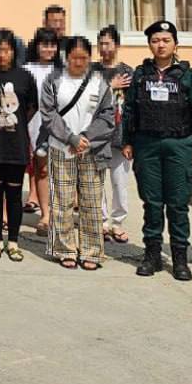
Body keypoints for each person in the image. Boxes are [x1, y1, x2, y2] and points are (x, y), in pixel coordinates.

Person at [122, 20, 192, 280]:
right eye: (155, 41)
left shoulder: (186, 75)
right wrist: (127, 141)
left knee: (178, 204)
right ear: (150, 45)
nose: (160, 45)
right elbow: (130, 109)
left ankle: (180, 258)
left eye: (166, 40)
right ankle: (152, 255)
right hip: (146, 144)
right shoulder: (140, 75)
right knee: (152, 202)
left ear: (175, 44)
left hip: (179, 145)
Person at [41, 36, 116, 270]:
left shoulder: (99, 83)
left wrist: (86, 138)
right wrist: (70, 138)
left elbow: (108, 116)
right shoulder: (54, 80)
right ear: (66, 57)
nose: (79, 62)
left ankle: (91, 251)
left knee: (91, 202)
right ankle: (64, 249)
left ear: (90, 58)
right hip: (61, 148)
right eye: (74, 57)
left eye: (83, 58)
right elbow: (48, 114)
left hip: (92, 150)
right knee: (62, 201)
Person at [0, 29, 38, 261]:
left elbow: (31, 108)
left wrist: (14, 124)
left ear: (14, 51)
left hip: (16, 145)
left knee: (14, 195)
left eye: (7, 50)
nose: (2, 55)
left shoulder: (24, 77)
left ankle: (13, 241)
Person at [96, 26, 133, 244]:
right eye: (100, 43)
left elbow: (133, 108)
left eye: (108, 43)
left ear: (117, 45)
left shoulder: (128, 72)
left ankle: (117, 223)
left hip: (120, 137)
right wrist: (110, 86)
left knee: (120, 183)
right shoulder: (92, 72)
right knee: (97, 183)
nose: (104, 48)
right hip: (98, 138)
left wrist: (130, 140)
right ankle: (101, 222)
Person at [23, 27, 62, 233]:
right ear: (36, 46)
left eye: (52, 45)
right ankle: (45, 215)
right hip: (34, 125)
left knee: (60, 172)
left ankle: (59, 214)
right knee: (41, 169)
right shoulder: (26, 70)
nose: (48, 49)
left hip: (60, 128)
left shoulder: (63, 71)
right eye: (44, 45)